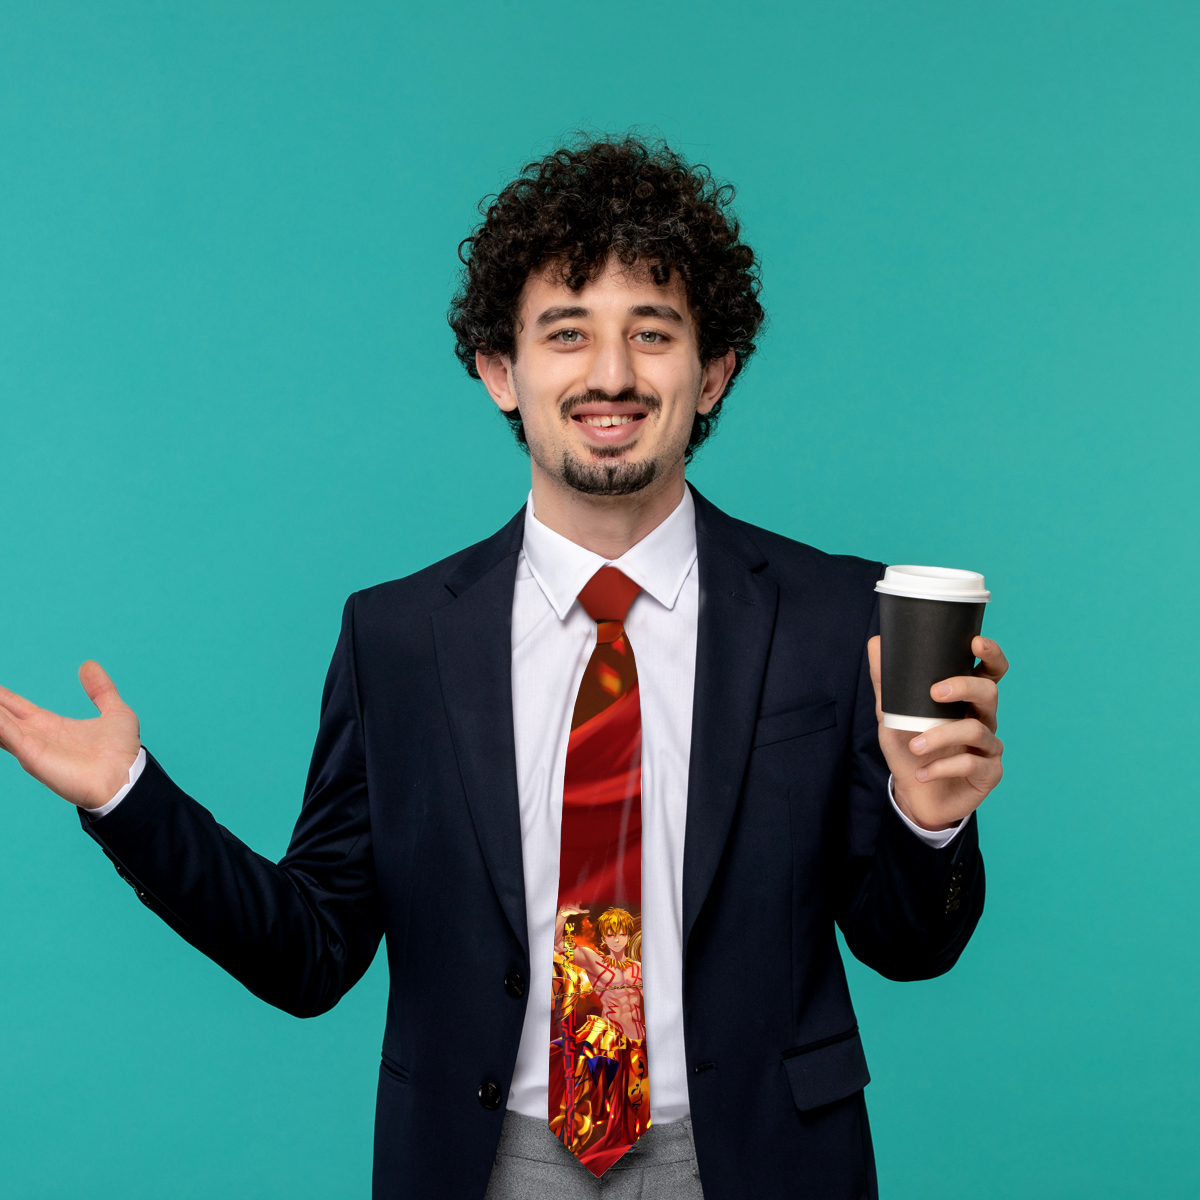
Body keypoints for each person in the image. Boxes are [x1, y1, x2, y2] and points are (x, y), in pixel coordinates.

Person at [0, 135, 1008, 1200]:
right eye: (565, 335)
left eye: (652, 335)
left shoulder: (835, 615)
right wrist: (128, 796)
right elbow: (312, 953)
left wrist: (929, 817)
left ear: (713, 372)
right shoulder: (396, 639)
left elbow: (908, 946)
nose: (610, 376)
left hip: (759, 1158)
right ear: (499, 371)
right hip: (488, 1164)